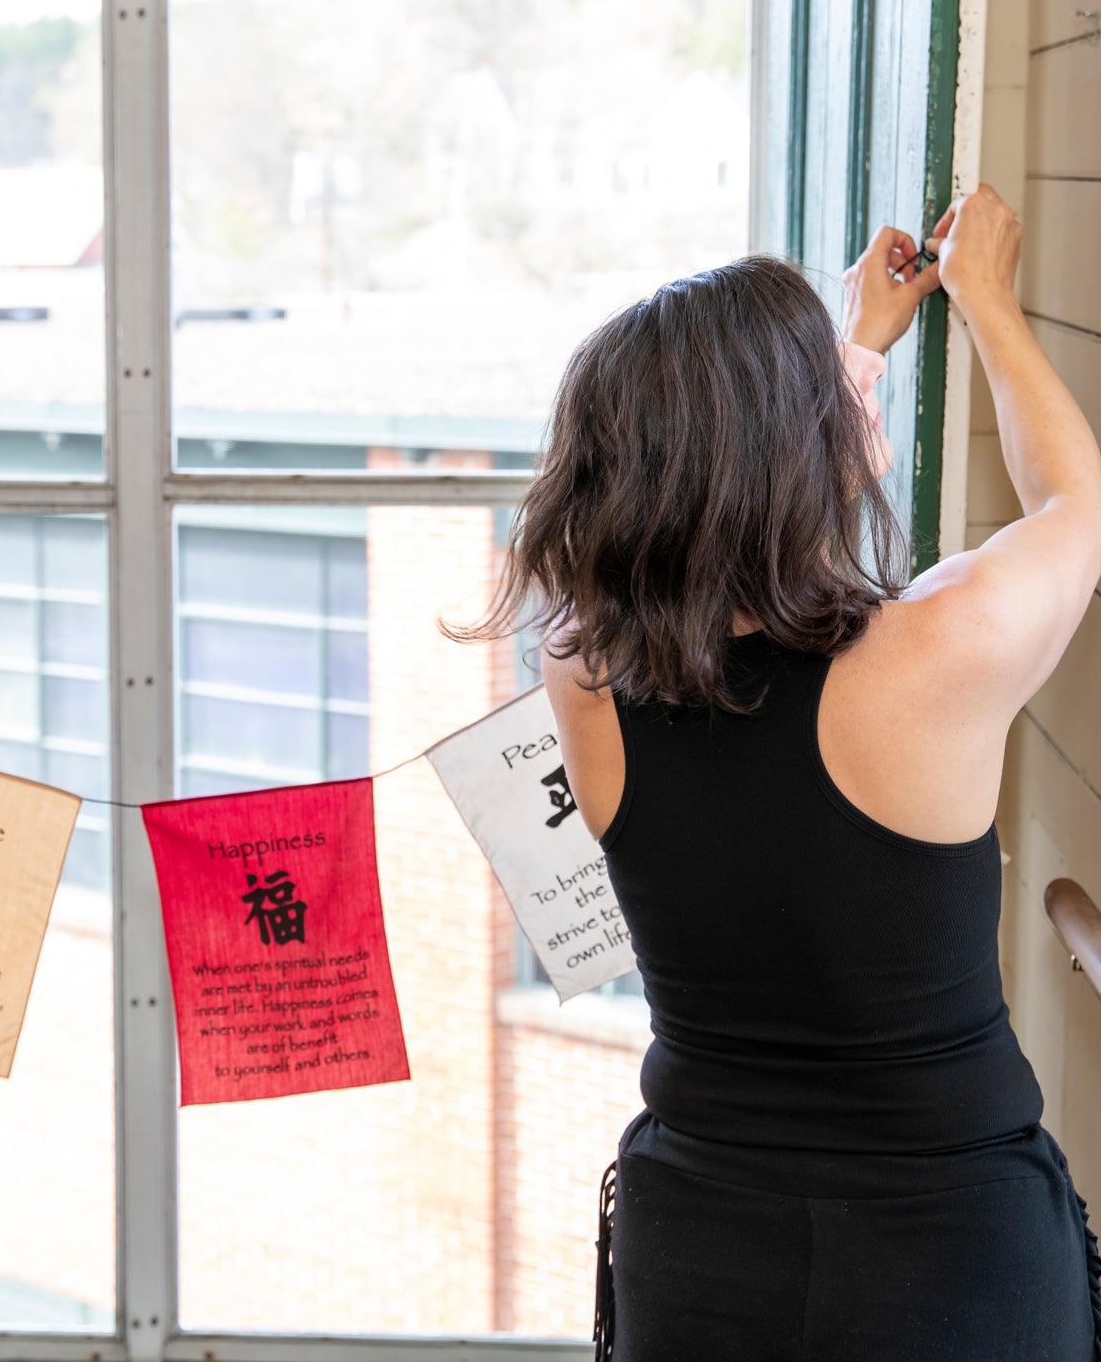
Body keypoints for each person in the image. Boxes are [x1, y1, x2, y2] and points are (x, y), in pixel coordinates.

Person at [447, 184, 1101, 1359]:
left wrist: (844, 349)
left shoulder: (582, 668)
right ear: (798, 444)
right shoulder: (939, 648)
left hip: (698, 1242)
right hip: (948, 1250)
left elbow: (718, 502)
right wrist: (987, 305)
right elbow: (1071, 502)